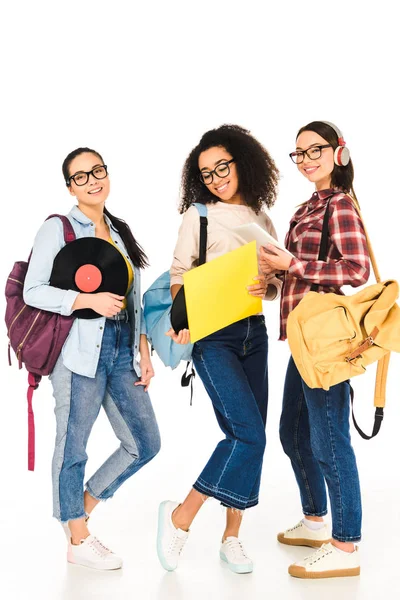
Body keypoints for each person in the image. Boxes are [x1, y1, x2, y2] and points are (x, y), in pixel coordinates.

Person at [23, 147, 160, 570]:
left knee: (145, 444)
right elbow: (34, 290)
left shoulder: (118, 230)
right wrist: (86, 298)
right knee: (73, 447)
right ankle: (78, 541)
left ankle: (77, 510)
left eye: (97, 171)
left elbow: (132, 295)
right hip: (78, 354)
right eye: (80, 177)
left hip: (121, 352)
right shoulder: (57, 228)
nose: (92, 181)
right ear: (70, 186)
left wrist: (143, 349)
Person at [156, 124, 282, 574]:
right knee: (248, 434)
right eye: (206, 172)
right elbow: (177, 273)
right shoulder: (199, 215)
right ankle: (181, 517)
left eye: (222, 166)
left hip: (254, 332)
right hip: (214, 336)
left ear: (242, 162)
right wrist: (182, 319)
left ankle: (232, 537)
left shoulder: (262, 219)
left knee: (252, 439)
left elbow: (272, 287)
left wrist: (266, 285)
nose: (216, 177)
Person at [259, 121, 370, 579]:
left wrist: (294, 264)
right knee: (293, 433)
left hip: (324, 343)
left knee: (329, 441)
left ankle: (345, 548)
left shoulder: (340, 203)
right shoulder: (307, 206)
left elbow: (356, 269)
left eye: (315, 149)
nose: (306, 159)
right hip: (301, 339)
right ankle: (314, 522)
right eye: (299, 153)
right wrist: (272, 280)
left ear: (338, 152)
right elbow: (300, 274)